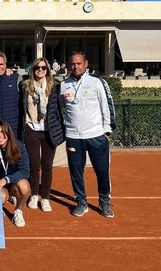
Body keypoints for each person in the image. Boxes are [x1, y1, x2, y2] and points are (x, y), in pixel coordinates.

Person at [48, 51, 115, 218]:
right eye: (72, 63)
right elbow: (61, 107)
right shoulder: (63, 85)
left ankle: (104, 201)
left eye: (79, 63)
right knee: (76, 171)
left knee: (102, 171)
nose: (75, 66)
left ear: (86, 64)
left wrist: (107, 130)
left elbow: (107, 106)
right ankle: (81, 201)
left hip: (96, 135)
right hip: (73, 136)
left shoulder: (97, 82)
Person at [21, 57, 57, 212]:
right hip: (31, 129)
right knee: (34, 166)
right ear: (32, 70)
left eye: (43, 68)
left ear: (47, 70)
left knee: (47, 166)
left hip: (50, 130)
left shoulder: (54, 86)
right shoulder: (25, 86)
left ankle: (46, 197)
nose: (40, 70)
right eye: (37, 68)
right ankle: (34, 194)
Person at [0, 120, 31, 227]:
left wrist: (6, 179)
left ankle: (18, 211)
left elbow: (25, 171)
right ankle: (0, 204)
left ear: (8, 132)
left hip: (12, 182)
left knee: (24, 186)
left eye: (2, 132)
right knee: (1, 195)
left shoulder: (19, 146)